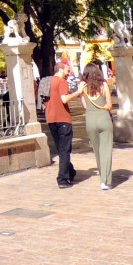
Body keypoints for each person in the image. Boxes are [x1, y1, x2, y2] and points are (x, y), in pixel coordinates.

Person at [45, 60, 83, 189]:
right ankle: (62, 179)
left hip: (50, 119)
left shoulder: (47, 82)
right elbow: (64, 99)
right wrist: (79, 91)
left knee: (61, 149)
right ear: (61, 70)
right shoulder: (62, 82)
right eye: (67, 71)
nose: (69, 73)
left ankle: (70, 171)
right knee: (65, 149)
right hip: (63, 119)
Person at [79, 64, 114, 190]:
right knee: (106, 150)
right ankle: (106, 180)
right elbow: (109, 105)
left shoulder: (82, 86)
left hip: (91, 119)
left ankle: (101, 176)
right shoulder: (103, 85)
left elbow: (85, 105)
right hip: (103, 118)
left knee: (97, 150)